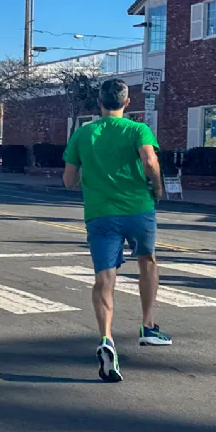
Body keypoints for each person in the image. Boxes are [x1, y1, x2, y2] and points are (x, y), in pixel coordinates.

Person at [61, 78, 169, 385]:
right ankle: (148, 325)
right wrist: (157, 187)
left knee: (105, 278)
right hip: (138, 207)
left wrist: (91, 181)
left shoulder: (83, 133)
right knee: (147, 260)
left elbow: (68, 180)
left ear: (99, 102)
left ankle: (106, 337)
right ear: (127, 102)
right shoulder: (138, 130)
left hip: (101, 213)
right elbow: (149, 160)